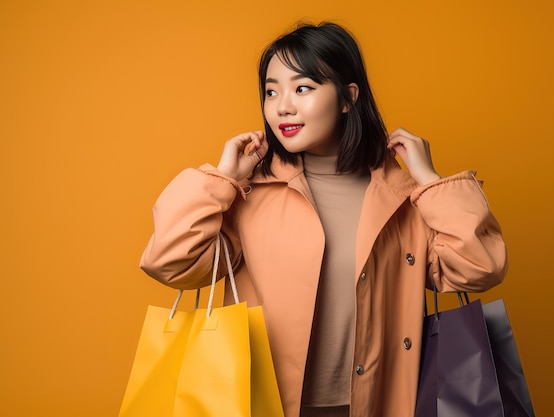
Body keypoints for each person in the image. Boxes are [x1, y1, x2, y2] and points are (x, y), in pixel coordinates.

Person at [140, 21, 507, 417]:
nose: (282, 106)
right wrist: (222, 179)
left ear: (348, 98)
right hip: (267, 402)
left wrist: (431, 182)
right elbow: (169, 261)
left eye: (303, 88)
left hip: (381, 401)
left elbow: (479, 268)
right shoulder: (249, 194)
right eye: (271, 90)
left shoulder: (402, 198)